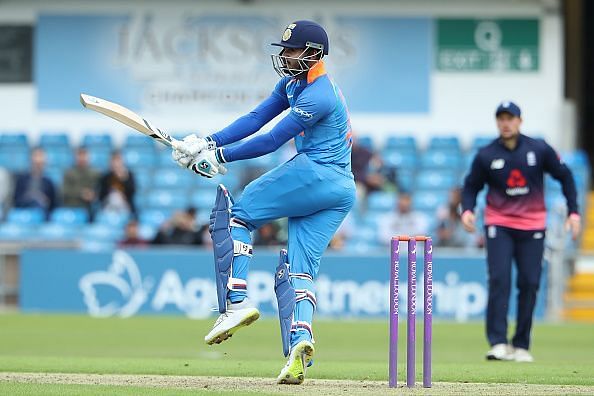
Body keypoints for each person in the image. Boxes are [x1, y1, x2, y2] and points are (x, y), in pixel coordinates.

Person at [172, 20, 355, 384]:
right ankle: (300, 347)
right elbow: (255, 118)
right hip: (339, 190)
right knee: (300, 270)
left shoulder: (320, 94)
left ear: (314, 53)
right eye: (284, 50)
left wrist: (220, 158)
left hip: (319, 173)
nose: (285, 56)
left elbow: (271, 140)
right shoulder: (291, 84)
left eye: (292, 50)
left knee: (239, 216)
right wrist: (206, 142)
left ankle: (236, 302)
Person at [461, 101, 581, 363]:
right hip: (499, 225)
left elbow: (566, 177)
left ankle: (522, 344)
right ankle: (498, 343)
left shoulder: (539, 149)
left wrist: (573, 212)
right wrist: (467, 210)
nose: (506, 123)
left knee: (529, 282)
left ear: (519, 121)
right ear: (497, 123)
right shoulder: (486, 155)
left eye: (510, 118)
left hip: (532, 226)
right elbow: (471, 186)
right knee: (499, 280)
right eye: (501, 119)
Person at [13, 147, 57, 218]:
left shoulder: (49, 182)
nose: (38, 160)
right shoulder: (21, 179)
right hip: (24, 214)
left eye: (41, 157)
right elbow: (16, 201)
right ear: (30, 160)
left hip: (43, 215)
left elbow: (54, 205)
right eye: (36, 156)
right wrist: (31, 197)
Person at [62, 147, 99, 218]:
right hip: (72, 207)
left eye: (84, 155)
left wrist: (92, 195)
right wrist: (81, 193)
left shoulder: (95, 174)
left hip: (89, 209)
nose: (82, 158)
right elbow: (64, 191)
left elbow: (99, 190)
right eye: (80, 155)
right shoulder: (68, 173)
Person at [97, 151, 136, 216]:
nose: (116, 163)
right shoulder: (106, 177)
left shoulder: (129, 175)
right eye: (113, 160)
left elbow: (132, 193)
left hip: (125, 206)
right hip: (109, 206)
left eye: (118, 160)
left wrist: (123, 179)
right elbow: (101, 196)